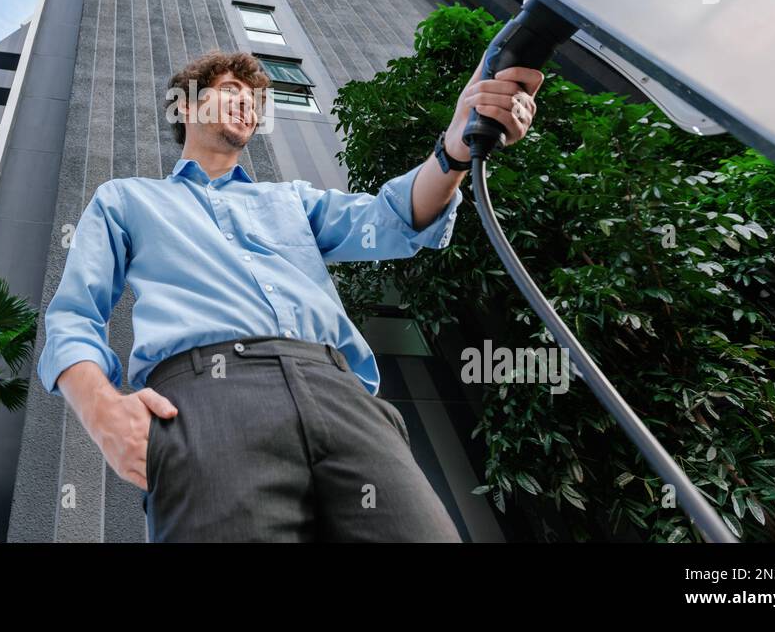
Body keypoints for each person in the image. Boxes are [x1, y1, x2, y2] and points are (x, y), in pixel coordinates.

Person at [36, 49, 544, 541]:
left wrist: (454, 146)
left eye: (256, 103)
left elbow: (390, 219)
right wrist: (103, 412)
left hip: (343, 399)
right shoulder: (126, 199)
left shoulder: (292, 199)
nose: (248, 106)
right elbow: (73, 316)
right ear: (186, 106)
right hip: (207, 408)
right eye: (231, 90)